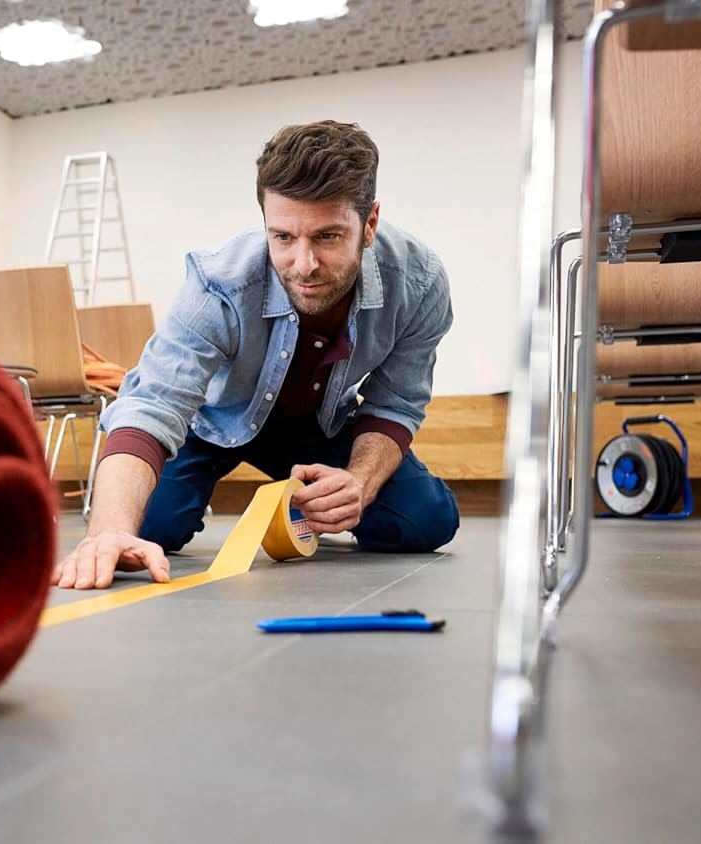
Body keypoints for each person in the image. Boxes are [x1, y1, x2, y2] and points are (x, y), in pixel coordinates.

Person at [52, 120, 459, 590]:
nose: (303, 266)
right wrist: (107, 533)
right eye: (282, 237)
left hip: (321, 425)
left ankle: (294, 502)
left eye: (327, 237)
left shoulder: (419, 282)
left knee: (426, 521)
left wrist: (359, 483)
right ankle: (271, 500)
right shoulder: (217, 285)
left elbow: (395, 404)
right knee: (143, 531)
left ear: (369, 224)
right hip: (212, 424)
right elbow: (152, 405)